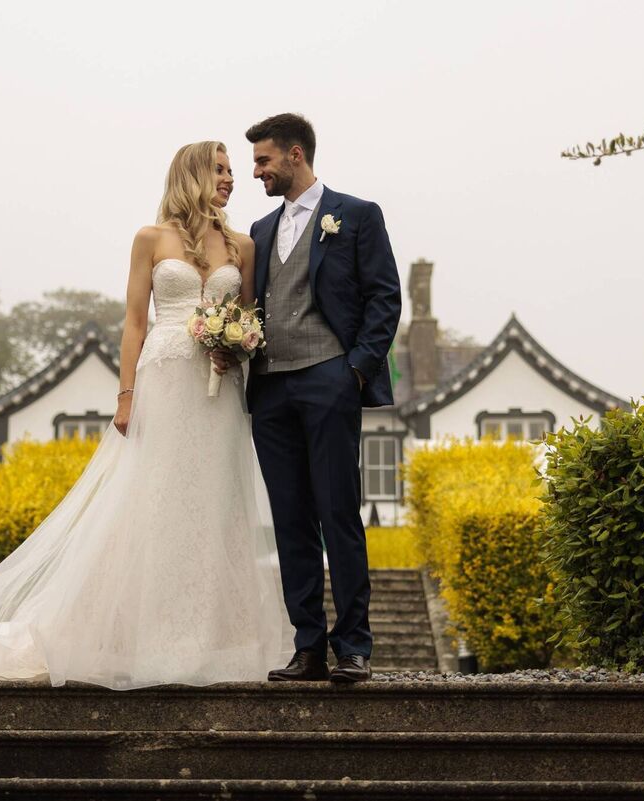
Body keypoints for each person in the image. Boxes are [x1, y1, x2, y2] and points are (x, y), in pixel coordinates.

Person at [0, 141, 293, 689]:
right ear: (190, 174)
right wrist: (125, 395)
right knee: (155, 501)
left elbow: (245, 316)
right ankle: (129, 637)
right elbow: (135, 323)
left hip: (218, 390)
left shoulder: (243, 245)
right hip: (164, 382)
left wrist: (235, 346)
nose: (231, 179)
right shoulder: (151, 238)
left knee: (214, 504)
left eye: (233, 170)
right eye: (220, 169)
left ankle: (211, 639)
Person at [236, 113, 402, 683]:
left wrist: (354, 370)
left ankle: (353, 647)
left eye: (263, 160)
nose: (255, 171)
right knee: (290, 521)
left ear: (296, 155)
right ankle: (307, 647)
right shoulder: (258, 230)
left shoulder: (356, 215)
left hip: (329, 379)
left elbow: (384, 297)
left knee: (337, 513)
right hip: (270, 387)